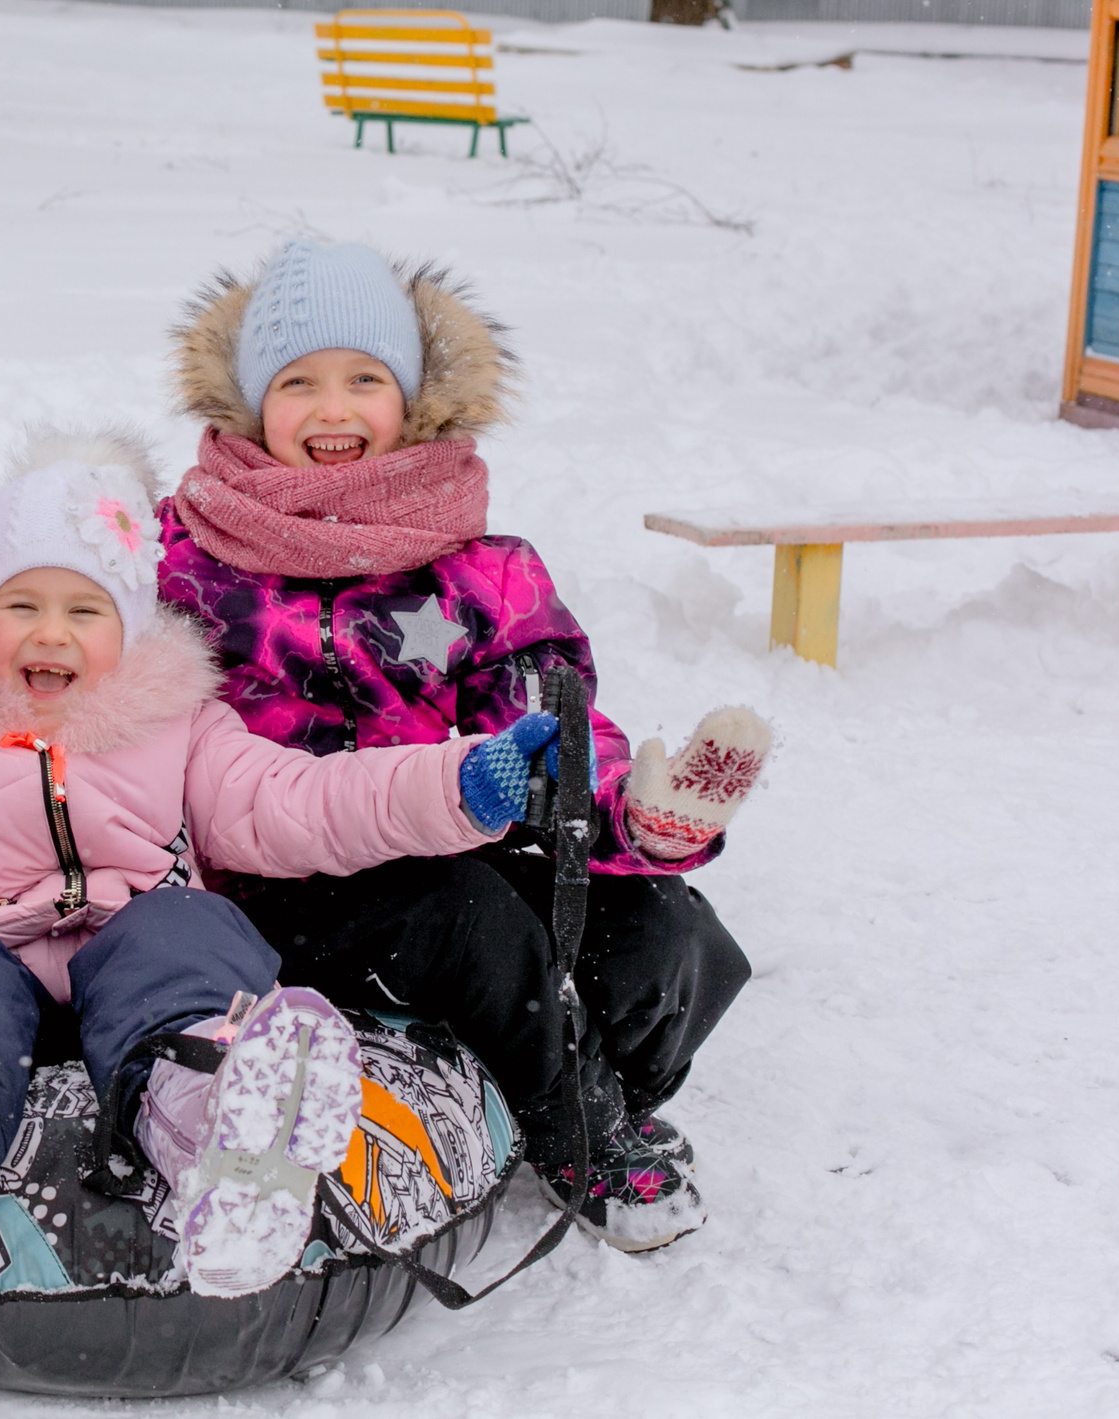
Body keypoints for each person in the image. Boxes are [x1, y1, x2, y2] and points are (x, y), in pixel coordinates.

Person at [0, 429, 566, 1321]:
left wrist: (455, 785)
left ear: (131, 625)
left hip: (139, 957)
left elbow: (304, 801)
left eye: (84, 609)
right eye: (20, 605)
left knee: (192, 932)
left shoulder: (182, 724)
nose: (50, 632)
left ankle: (228, 1141)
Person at [156, 237, 771, 1251]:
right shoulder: (186, 558)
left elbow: (544, 723)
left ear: (416, 398)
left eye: (365, 378)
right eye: (297, 382)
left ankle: (571, 1071)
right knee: (466, 916)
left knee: (667, 936)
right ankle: (580, 1130)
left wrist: (632, 817)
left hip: (447, 823)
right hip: (270, 877)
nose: (334, 408)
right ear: (249, 404)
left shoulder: (482, 572)